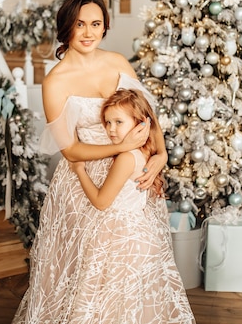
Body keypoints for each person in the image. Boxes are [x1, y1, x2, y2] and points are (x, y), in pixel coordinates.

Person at [12, 0, 169, 323]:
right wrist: (122, 148)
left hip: (131, 176)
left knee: (131, 265)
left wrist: (161, 154)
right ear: (66, 26)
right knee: (88, 271)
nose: (88, 33)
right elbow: (70, 150)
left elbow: (146, 115)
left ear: (104, 26)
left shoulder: (117, 63)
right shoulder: (55, 81)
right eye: (80, 24)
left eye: (96, 24)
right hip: (84, 180)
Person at [69, 89, 195, 322]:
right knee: (136, 301)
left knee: (115, 300)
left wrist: (79, 171)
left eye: (119, 122)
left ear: (140, 124)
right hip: (142, 235)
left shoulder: (126, 158)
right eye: (107, 122)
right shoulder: (144, 153)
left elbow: (101, 202)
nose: (111, 129)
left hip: (121, 239)